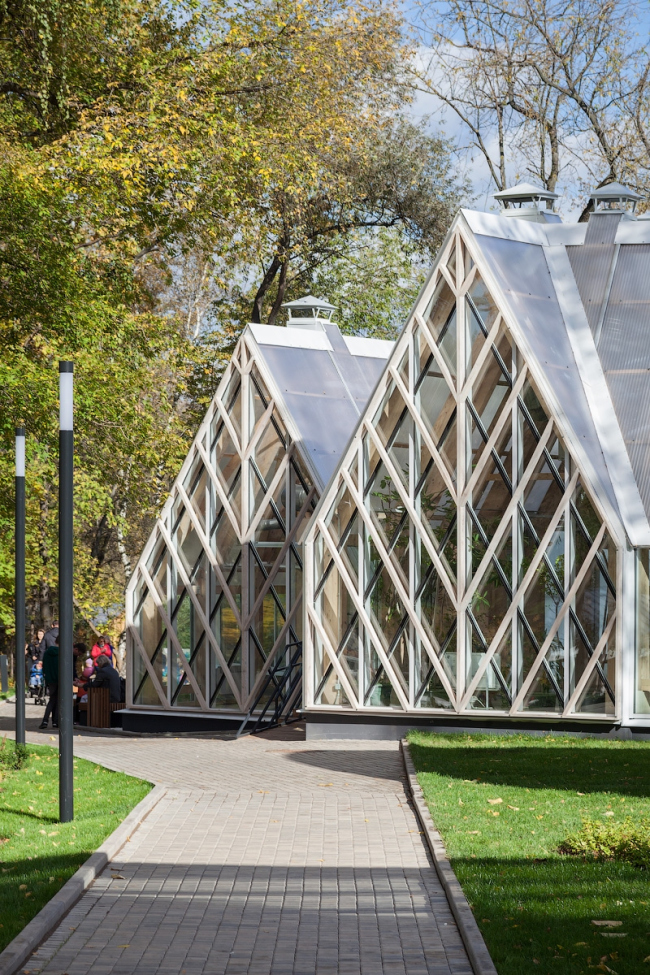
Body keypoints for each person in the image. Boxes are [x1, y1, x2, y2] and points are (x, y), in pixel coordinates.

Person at [40, 638, 59, 729]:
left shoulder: (47, 653)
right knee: (59, 700)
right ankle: (55, 721)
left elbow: (44, 667)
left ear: (55, 642)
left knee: (52, 700)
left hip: (50, 679)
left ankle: (45, 720)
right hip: (60, 679)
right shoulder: (63, 653)